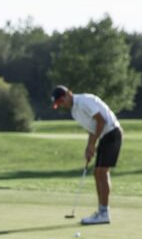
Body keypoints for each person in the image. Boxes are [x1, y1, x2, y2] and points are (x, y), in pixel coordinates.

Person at [51, 85, 122, 225]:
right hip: (105, 136)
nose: (62, 105)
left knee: (101, 172)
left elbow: (101, 121)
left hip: (112, 133)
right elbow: (92, 128)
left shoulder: (84, 101)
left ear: (68, 94)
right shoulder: (74, 112)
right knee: (98, 173)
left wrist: (93, 144)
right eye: (59, 104)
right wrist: (88, 147)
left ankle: (103, 213)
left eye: (61, 101)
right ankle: (102, 212)